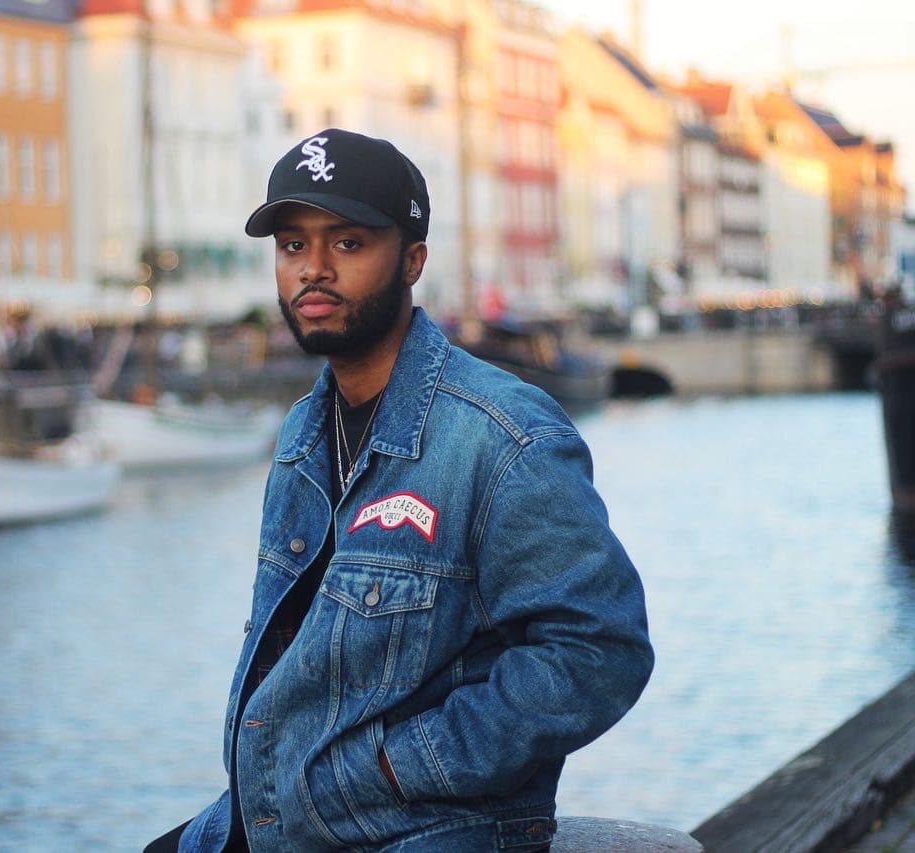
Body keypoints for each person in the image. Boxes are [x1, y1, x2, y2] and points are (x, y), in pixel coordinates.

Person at [147, 129, 653, 852]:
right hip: (291, 810)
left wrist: (399, 765)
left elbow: (600, 650)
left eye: (347, 243)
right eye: (292, 246)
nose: (313, 269)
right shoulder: (301, 434)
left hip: (426, 826)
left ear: (413, 259)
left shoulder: (503, 436)